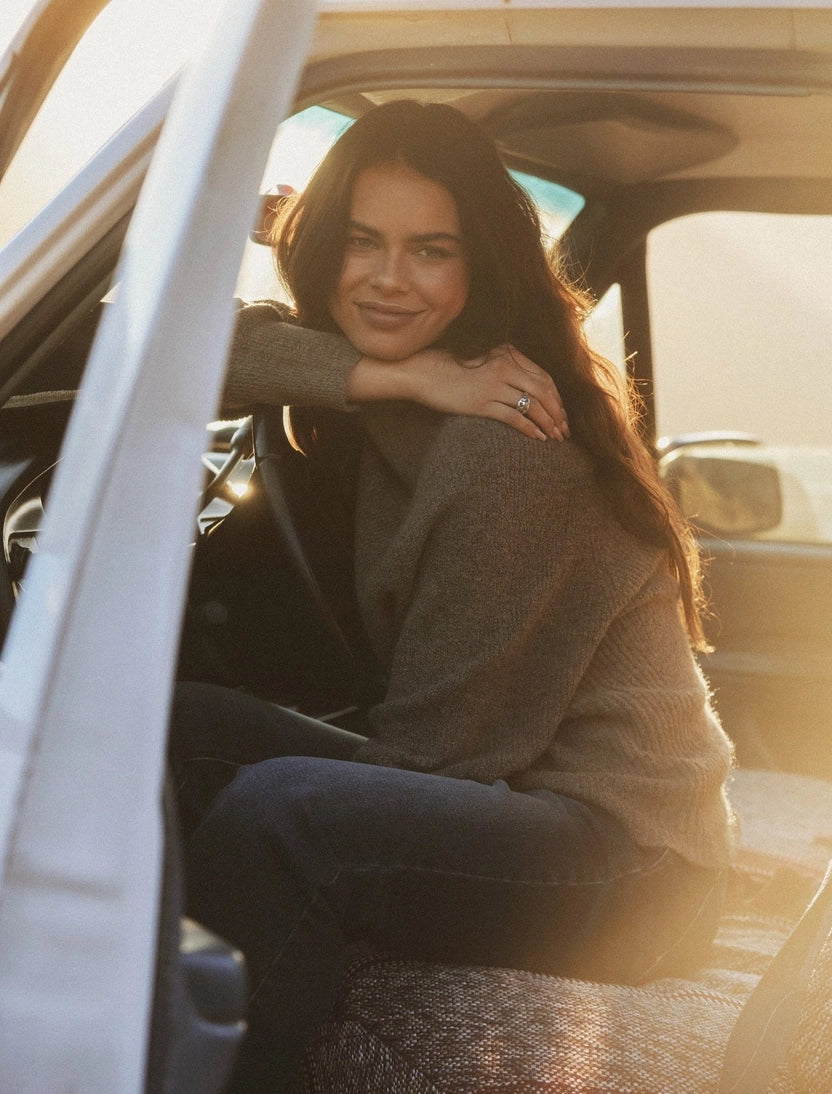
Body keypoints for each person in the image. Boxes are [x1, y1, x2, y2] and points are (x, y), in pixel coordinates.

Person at [181, 100, 735, 1092]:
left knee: (283, 816)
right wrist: (393, 376)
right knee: (178, 726)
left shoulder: (507, 453)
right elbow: (172, 342)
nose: (388, 278)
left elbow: (440, 758)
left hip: (632, 859)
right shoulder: (430, 381)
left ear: (481, 263)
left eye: (429, 250)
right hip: (516, 787)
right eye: (362, 241)